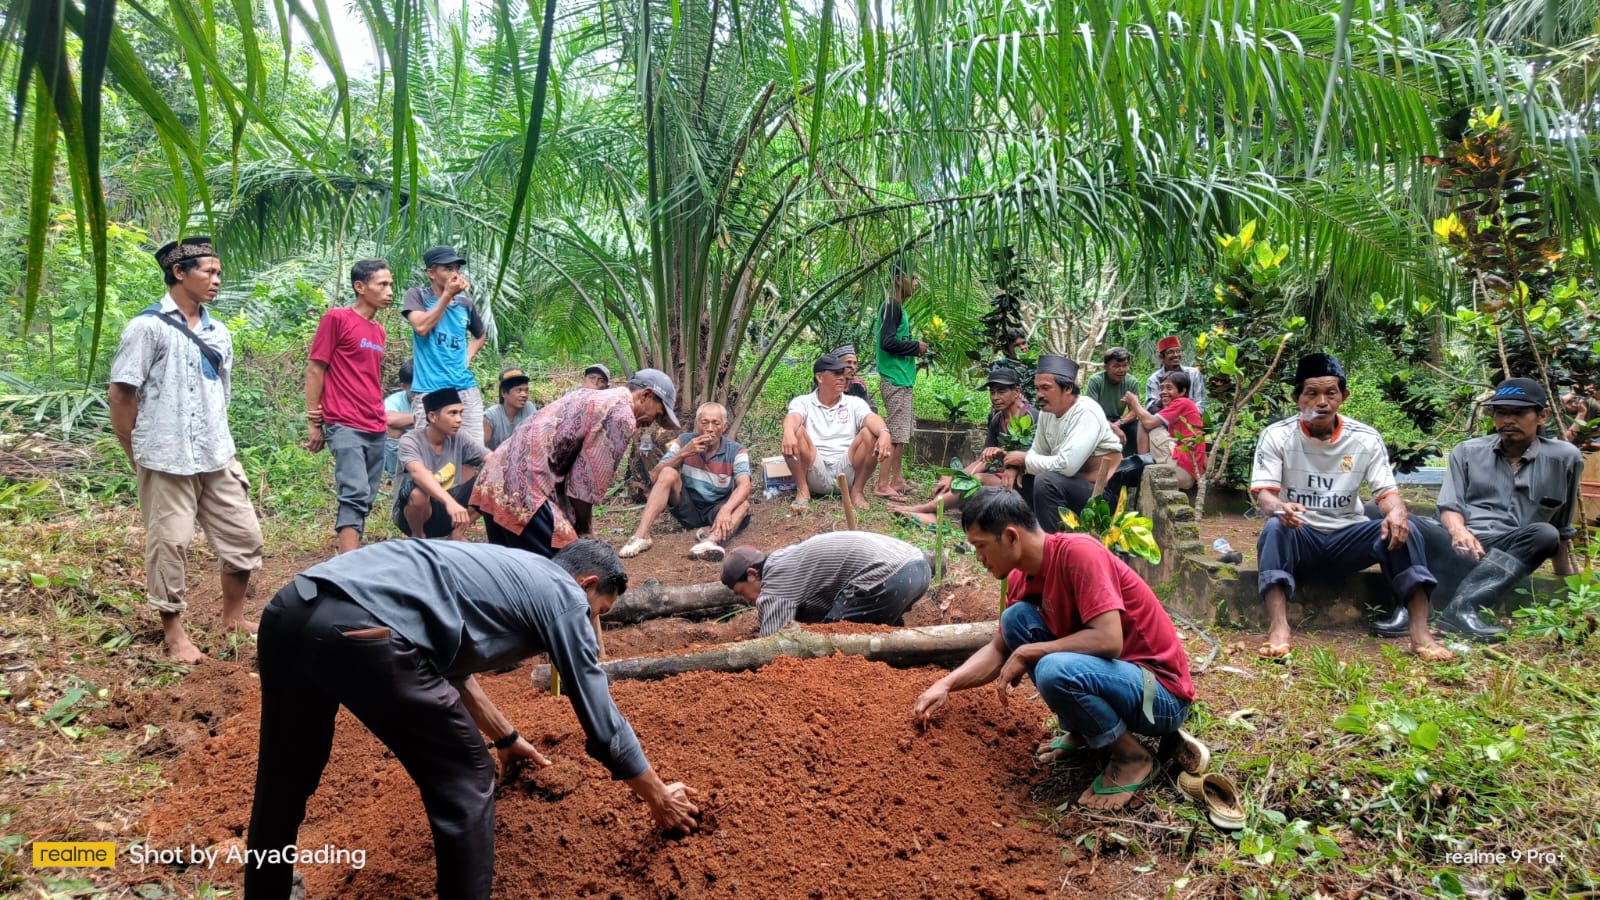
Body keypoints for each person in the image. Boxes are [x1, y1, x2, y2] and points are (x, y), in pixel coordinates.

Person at [244, 539, 701, 900]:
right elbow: (601, 722)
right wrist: (659, 797)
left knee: (283, 781)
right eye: (598, 614)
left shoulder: (506, 571)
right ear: (586, 582)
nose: (595, 630)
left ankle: (265, 893)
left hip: (289, 611)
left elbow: (447, 663)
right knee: (466, 778)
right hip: (365, 628)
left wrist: (506, 736)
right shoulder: (563, 595)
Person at [911, 487, 1194, 810]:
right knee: (1017, 619)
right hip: (1116, 682)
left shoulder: (1079, 554)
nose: (979, 558)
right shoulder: (1023, 577)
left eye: (981, 546)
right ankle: (1085, 731)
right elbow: (998, 649)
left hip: (1159, 695)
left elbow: (1108, 640)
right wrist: (946, 684)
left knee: (1052, 668)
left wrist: (1031, 652)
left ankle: (1131, 757)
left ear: (1011, 536)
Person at [108, 236, 263, 664]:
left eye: (218, 273)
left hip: (216, 453)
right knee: (170, 543)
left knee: (244, 537)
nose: (216, 281)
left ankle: (233, 617)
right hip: (165, 457)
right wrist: (135, 452)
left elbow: (221, 395)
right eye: (208, 272)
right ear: (180, 273)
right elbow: (122, 395)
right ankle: (174, 633)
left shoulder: (219, 332)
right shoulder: (147, 328)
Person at [1249, 353, 1453, 661]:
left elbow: (1386, 492)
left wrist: (1397, 511)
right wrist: (1280, 508)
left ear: (1344, 396)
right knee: (1275, 527)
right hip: (1301, 534)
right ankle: (1279, 629)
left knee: (1403, 529)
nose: (1321, 402)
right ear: (1296, 398)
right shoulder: (1277, 435)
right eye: (1312, 394)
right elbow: (1264, 494)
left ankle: (1421, 634)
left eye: (1331, 393)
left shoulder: (1365, 438)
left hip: (1349, 537)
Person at [1382, 379, 1581, 642]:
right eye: (1501, 412)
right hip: (1455, 543)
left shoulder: (1565, 458)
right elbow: (1449, 506)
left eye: (1519, 413)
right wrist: (1459, 531)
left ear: (1542, 416)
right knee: (1399, 521)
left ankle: (1463, 608)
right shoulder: (1467, 451)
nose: (1508, 420)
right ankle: (1411, 607)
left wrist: (1566, 582)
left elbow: (1561, 525)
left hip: (1508, 550)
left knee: (1545, 534)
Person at [473, 369, 680, 557]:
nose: (653, 422)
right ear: (646, 395)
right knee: (574, 567)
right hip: (524, 491)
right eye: (658, 414)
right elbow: (584, 483)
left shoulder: (591, 395)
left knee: (512, 572)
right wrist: (585, 530)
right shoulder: (622, 415)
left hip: (494, 480)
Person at [305, 259, 394, 554]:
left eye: (390, 284)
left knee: (366, 496)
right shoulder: (337, 319)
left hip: (375, 423)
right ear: (360, 287)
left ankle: (351, 558)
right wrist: (314, 421)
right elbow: (316, 369)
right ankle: (348, 568)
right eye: (382, 284)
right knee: (354, 492)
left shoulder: (378, 332)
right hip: (344, 422)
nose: (389, 290)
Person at [890, 367, 1034, 525]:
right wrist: (954, 477)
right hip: (1000, 479)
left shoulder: (1031, 418)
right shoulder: (997, 419)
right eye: (992, 392)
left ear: (1017, 391)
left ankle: (926, 509)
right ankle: (934, 512)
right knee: (959, 483)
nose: (995, 397)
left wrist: (1003, 454)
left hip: (1024, 483)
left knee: (978, 480)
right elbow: (984, 460)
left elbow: (1033, 459)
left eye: (1001, 392)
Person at [721, 533, 932, 636]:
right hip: (918, 568)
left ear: (752, 574)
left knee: (831, 640)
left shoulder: (775, 582)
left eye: (742, 592)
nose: (748, 601)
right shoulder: (784, 559)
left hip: (890, 577)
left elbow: (773, 645)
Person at [619, 402, 752, 562]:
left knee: (743, 505)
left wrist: (726, 510)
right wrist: (683, 453)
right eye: (704, 422)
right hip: (688, 508)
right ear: (697, 425)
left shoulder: (737, 450)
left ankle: (709, 542)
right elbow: (655, 475)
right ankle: (642, 535)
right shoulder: (684, 441)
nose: (710, 428)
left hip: (717, 509)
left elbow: (745, 485)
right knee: (668, 472)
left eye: (716, 423)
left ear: (724, 427)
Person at [1004, 355, 1122, 529]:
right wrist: (1016, 466)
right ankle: (1026, 539)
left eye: (1045, 388)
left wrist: (1024, 460)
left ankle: (1056, 548)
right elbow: (1038, 451)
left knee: (1046, 482)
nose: (1039, 395)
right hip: (1069, 483)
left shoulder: (1086, 411)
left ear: (1067, 388)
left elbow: (1067, 466)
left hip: (1100, 493)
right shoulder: (1047, 411)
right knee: (1019, 480)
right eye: (1037, 389)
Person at [782, 353, 893, 511]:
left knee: (870, 433)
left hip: (846, 469)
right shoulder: (803, 402)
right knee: (796, 431)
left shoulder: (854, 403)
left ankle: (857, 491)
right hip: (815, 467)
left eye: (842, 373)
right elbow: (793, 417)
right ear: (820, 378)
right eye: (835, 373)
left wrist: (884, 432)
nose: (842, 377)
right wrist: (788, 431)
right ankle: (803, 491)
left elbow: (871, 418)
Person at [402, 246, 487, 447]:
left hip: (464, 387)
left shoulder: (465, 304)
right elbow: (421, 327)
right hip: (429, 389)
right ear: (431, 273)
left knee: (473, 450)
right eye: (448, 269)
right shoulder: (417, 296)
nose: (455, 274)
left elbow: (480, 335)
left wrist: (468, 357)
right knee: (430, 451)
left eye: (457, 268)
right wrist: (447, 296)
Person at [394, 388, 485, 540]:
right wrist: (451, 503)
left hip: (448, 512)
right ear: (432, 416)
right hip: (414, 514)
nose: (459, 419)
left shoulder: (460, 437)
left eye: (461, 413)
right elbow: (418, 473)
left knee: (492, 481)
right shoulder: (410, 440)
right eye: (452, 413)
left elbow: (491, 458)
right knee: (418, 493)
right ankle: (418, 536)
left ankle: (457, 532)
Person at [875, 261, 927, 500]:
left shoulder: (899, 309)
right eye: (912, 278)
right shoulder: (892, 307)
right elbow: (887, 342)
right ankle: (882, 483)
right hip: (894, 377)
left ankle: (897, 479)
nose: (915, 283)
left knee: (901, 433)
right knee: (895, 433)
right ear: (898, 279)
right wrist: (916, 347)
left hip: (903, 378)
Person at [1121, 370, 1206, 490]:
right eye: (1161, 388)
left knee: (1144, 423)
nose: (1163, 392)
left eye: (1169, 388)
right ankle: (1144, 463)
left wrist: (1135, 403)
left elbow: (1148, 423)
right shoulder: (1186, 405)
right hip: (1189, 474)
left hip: (1181, 472)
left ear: (1182, 391)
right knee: (1150, 423)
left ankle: (1142, 466)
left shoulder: (1182, 402)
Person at [1083, 347, 1140, 449]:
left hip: (1119, 421)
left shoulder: (1132, 382)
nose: (1122, 370)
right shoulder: (1096, 381)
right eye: (1116, 366)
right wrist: (1112, 427)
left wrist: (1117, 424)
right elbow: (1090, 412)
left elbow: (1135, 411)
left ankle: (1137, 460)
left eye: (1124, 365)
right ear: (1106, 367)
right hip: (1098, 421)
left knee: (1137, 427)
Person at [1144, 336, 1206, 412]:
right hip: (1165, 419)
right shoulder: (1154, 379)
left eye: (1178, 351)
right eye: (1170, 352)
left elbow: (1200, 403)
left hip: (1191, 417)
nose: (1176, 355)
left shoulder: (1194, 374)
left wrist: (1190, 416)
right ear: (1161, 357)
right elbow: (1150, 405)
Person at [483, 367, 537, 451]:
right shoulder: (491, 416)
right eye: (519, 391)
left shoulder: (529, 409)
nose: (524, 395)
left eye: (526, 391)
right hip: (495, 461)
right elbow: (482, 449)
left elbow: (536, 438)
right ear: (504, 393)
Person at [382, 361, 415, 481]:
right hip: (405, 445)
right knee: (390, 429)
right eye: (415, 386)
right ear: (403, 386)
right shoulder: (395, 400)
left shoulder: (434, 395)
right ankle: (397, 476)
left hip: (429, 443)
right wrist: (424, 417)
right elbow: (388, 419)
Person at [833, 344, 877, 412]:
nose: (853, 367)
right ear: (837, 364)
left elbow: (866, 412)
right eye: (848, 362)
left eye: (855, 363)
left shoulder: (859, 385)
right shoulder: (826, 385)